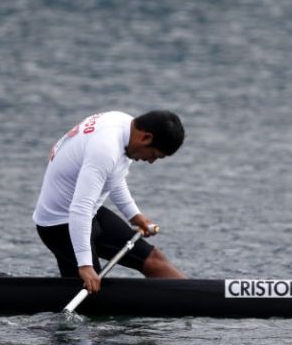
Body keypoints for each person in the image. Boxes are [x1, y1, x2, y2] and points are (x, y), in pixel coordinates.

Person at [33, 110, 187, 294]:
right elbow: (80, 207)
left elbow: (114, 177)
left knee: (153, 260)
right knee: (93, 294)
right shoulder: (105, 147)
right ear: (146, 138)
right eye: (154, 154)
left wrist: (134, 215)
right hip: (59, 226)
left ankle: (197, 298)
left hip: (90, 214)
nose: (151, 161)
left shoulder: (124, 126)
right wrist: (84, 264)